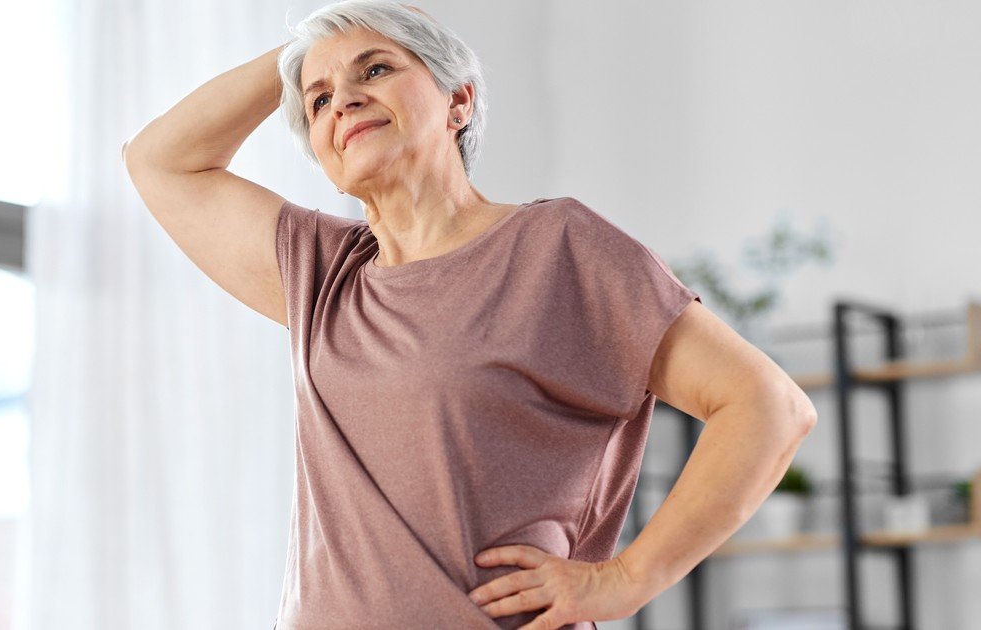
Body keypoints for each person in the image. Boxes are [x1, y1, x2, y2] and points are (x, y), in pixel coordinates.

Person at [122, 1, 818, 628]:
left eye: (376, 68)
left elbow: (768, 406)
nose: (345, 100)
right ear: (324, 155)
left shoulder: (557, 250)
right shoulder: (319, 272)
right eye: (320, 99)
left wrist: (627, 579)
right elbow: (159, 160)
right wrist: (304, 48)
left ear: (459, 101)